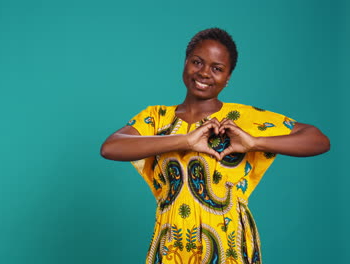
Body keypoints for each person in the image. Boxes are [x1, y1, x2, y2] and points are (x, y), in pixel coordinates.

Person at [100, 28, 330, 264]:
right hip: (173, 243)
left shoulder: (242, 119)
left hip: (228, 242)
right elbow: (111, 147)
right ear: (185, 62)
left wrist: (254, 142)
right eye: (197, 62)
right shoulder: (157, 118)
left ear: (228, 77)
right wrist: (186, 140)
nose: (204, 73)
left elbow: (318, 139)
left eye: (217, 68)